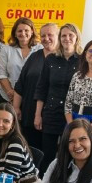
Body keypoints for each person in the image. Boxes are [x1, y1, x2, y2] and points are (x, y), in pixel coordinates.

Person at [34, 23, 81, 157]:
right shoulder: (51, 59)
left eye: (70, 35)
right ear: (59, 39)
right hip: (51, 113)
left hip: (73, 115)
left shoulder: (83, 61)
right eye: (63, 36)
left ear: (77, 37)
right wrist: (38, 115)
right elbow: (42, 88)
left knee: (69, 154)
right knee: (47, 154)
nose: (67, 38)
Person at [15, 21, 58, 157]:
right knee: (28, 153)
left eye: (50, 35)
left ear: (58, 36)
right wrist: (16, 107)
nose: (46, 39)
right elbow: (20, 84)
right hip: (28, 114)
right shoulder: (34, 56)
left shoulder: (62, 60)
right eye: (43, 36)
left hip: (50, 117)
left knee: (47, 156)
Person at [0, 17, 37, 105]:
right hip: (8, 97)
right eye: (19, 31)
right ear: (14, 33)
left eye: (26, 30)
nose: (23, 33)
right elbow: (2, 74)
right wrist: (11, 93)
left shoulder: (40, 49)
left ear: (32, 31)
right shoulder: (6, 49)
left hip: (31, 98)